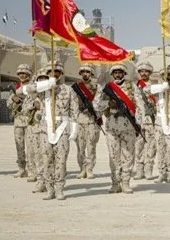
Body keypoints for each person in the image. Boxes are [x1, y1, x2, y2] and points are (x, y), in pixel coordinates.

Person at [95, 64, 138, 194]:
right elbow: (96, 105)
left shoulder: (132, 87)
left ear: (124, 74)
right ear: (112, 74)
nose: (118, 75)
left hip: (128, 126)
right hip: (112, 127)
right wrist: (108, 103)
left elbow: (140, 105)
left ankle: (125, 183)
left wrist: (139, 124)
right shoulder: (106, 88)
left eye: (120, 72)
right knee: (114, 156)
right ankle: (115, 183)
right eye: (115, 73)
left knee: (128, 155)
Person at [143, 65, 170, 183]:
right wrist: (161, 87)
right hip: (159, 122)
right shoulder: (158, 88)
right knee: (160, 148)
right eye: (165, 74)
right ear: (161, 76)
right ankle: (162, 173)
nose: (167, 76)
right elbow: (145, 90)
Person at [38, 63, 74, 201]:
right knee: (47, 160)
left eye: (57, 71)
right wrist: (47, 84)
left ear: (61, 73)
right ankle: (49, 189)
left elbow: (74, 110)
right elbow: (25, 90)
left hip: (62, 128)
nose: (54, 73)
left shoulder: (68, 90)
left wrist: (74, 129)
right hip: (45, 129)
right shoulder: (42, 88)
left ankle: (59, 189)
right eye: (51, 71)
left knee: (61, 160)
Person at [69, 64, 101, 179]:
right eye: (83, 72)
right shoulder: (75, 87)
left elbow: (98, 100)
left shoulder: (97, 86)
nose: (85, 74)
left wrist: (91, 107)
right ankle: (82, 169)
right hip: (79, 120)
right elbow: (72, 102)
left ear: (91, 73)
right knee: (80, 147)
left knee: (91, 146)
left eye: (87, 72)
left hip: (92, 120)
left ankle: (89, 169)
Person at [134, 62, 159, 180]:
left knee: (151, 146)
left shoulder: (155, 86)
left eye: (146, 71)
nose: (144, 73)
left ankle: (148, 170)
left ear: (150, 73)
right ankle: (139, 171)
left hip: (151, 120)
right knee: (138, 146)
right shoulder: (134, 86)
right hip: (138, 120)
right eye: (141, 71)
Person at [8, 64, 33, 178]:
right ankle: (21, 168)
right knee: (19, 147)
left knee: (31, 147)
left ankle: (32, 170)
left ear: (29, 74)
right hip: (18, 121)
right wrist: (13, 99)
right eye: (20, 73)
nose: (22, 75)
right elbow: (8, 104)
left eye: (24, 73)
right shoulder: (16, 87)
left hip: (30, 121)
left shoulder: (33, 87)